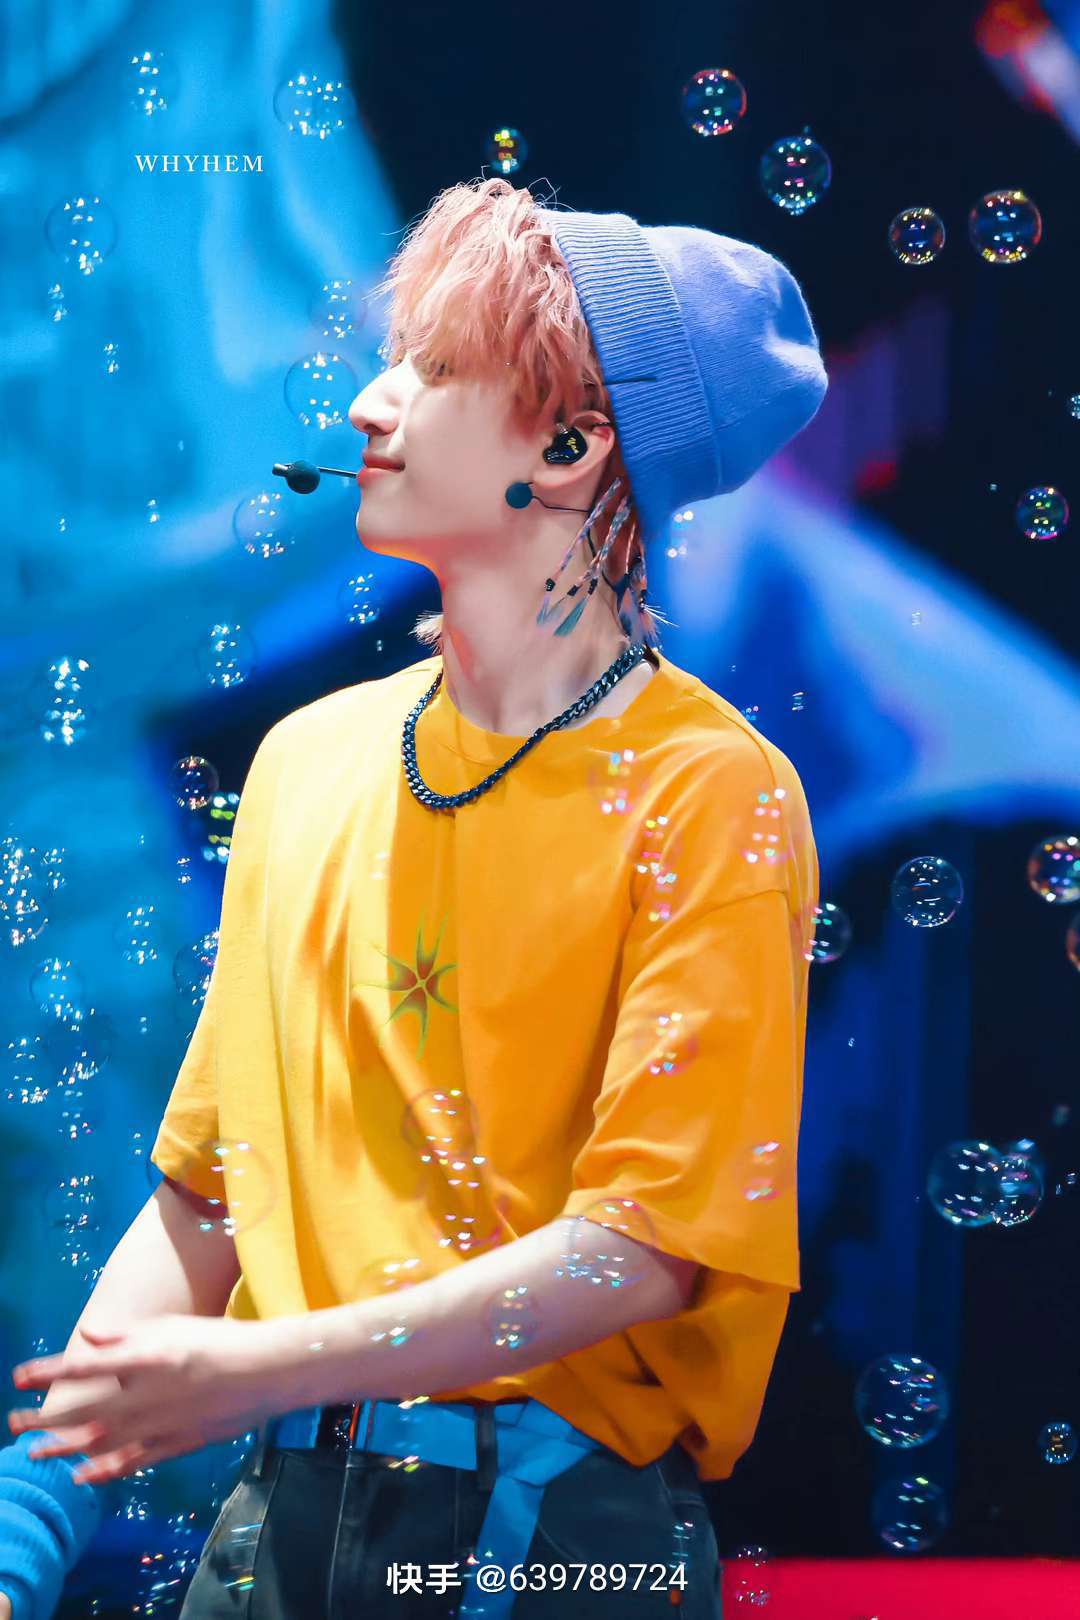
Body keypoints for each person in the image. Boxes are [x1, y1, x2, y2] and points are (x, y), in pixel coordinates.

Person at [0, 175, 827, 1619]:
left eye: (435, 369)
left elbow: (643, 1253)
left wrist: (258, 1369)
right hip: (273, 1532)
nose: (369, 402)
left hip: (560, 1544)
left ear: (570, 446)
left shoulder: (709, 791)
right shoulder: (306, 762)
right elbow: (211, 1200)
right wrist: (30, 1517)